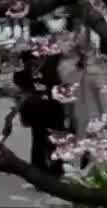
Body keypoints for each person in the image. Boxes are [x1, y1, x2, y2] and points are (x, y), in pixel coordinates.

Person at [13, 20, 70, 176]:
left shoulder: (25, 54)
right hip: (52, 101)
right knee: (56, 135)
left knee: (38, 138)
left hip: (35, 103)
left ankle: (39, 171)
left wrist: (29, 87)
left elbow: (18, 78)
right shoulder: (54, 53)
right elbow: (63, 75)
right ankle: (56, 170)